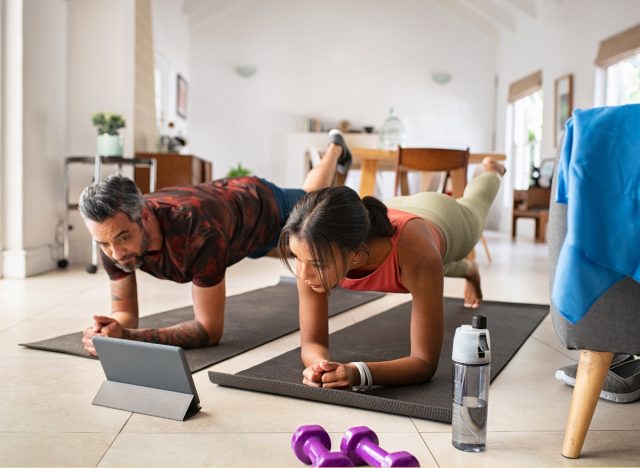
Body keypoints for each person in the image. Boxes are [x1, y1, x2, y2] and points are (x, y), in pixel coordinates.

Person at [79, 130, 352, 356]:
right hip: (232, 234)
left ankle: (335, 149)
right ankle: (335, 150)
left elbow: (208, 330)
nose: (115, 253)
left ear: (145, 216)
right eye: (103, 244)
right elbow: (124, 313)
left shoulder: (197, 232)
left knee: (316, 199)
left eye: (123, 238)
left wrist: (126, 337)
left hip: (263, 207)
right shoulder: (112, 235)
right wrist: (109, 331)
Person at [278, 156, 505, 390]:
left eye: (317, 263)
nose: (303, 274)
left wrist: (359, 373)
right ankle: (468, 270)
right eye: (297, 258)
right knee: (425, 271)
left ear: (355, 254)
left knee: (476, 205)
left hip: (443, 217)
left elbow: (424, 363)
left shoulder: (418, 254)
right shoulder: (313, 248)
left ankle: (493, 170)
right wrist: (320, 367)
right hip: (392, 209)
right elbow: (312, 342)